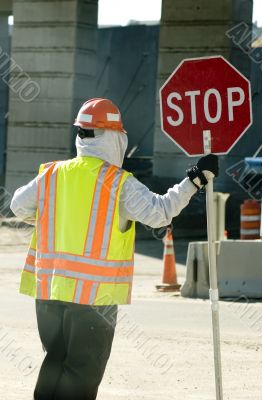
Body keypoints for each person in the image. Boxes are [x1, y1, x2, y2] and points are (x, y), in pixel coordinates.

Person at [10, 98, 218, 400]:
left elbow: (17, 206)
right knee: (81, 375)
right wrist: (195, 180)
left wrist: (48, 214)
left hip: (49, 294)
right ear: (114, 137)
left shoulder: (53, 174)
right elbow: (160, 212)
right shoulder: (117, 183)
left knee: (55, 364)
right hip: (94, 299)